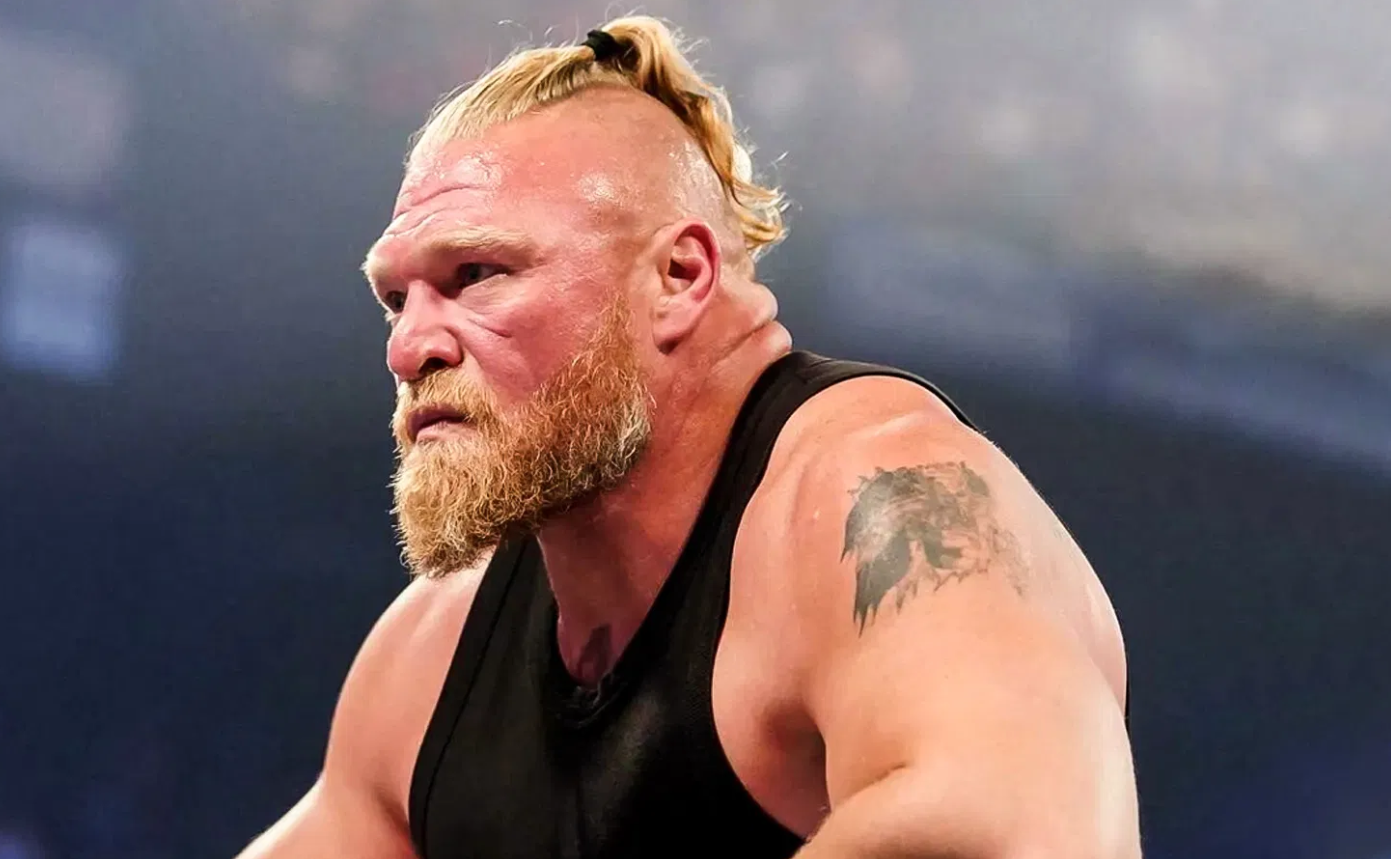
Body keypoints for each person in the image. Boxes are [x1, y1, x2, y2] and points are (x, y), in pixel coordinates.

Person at [238, 15, 1138, 859]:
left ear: (678, 276)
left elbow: (1020, 825)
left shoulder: (880, 500)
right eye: (396, 299)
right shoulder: (432, 659)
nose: (408, 348)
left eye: (476, 273)